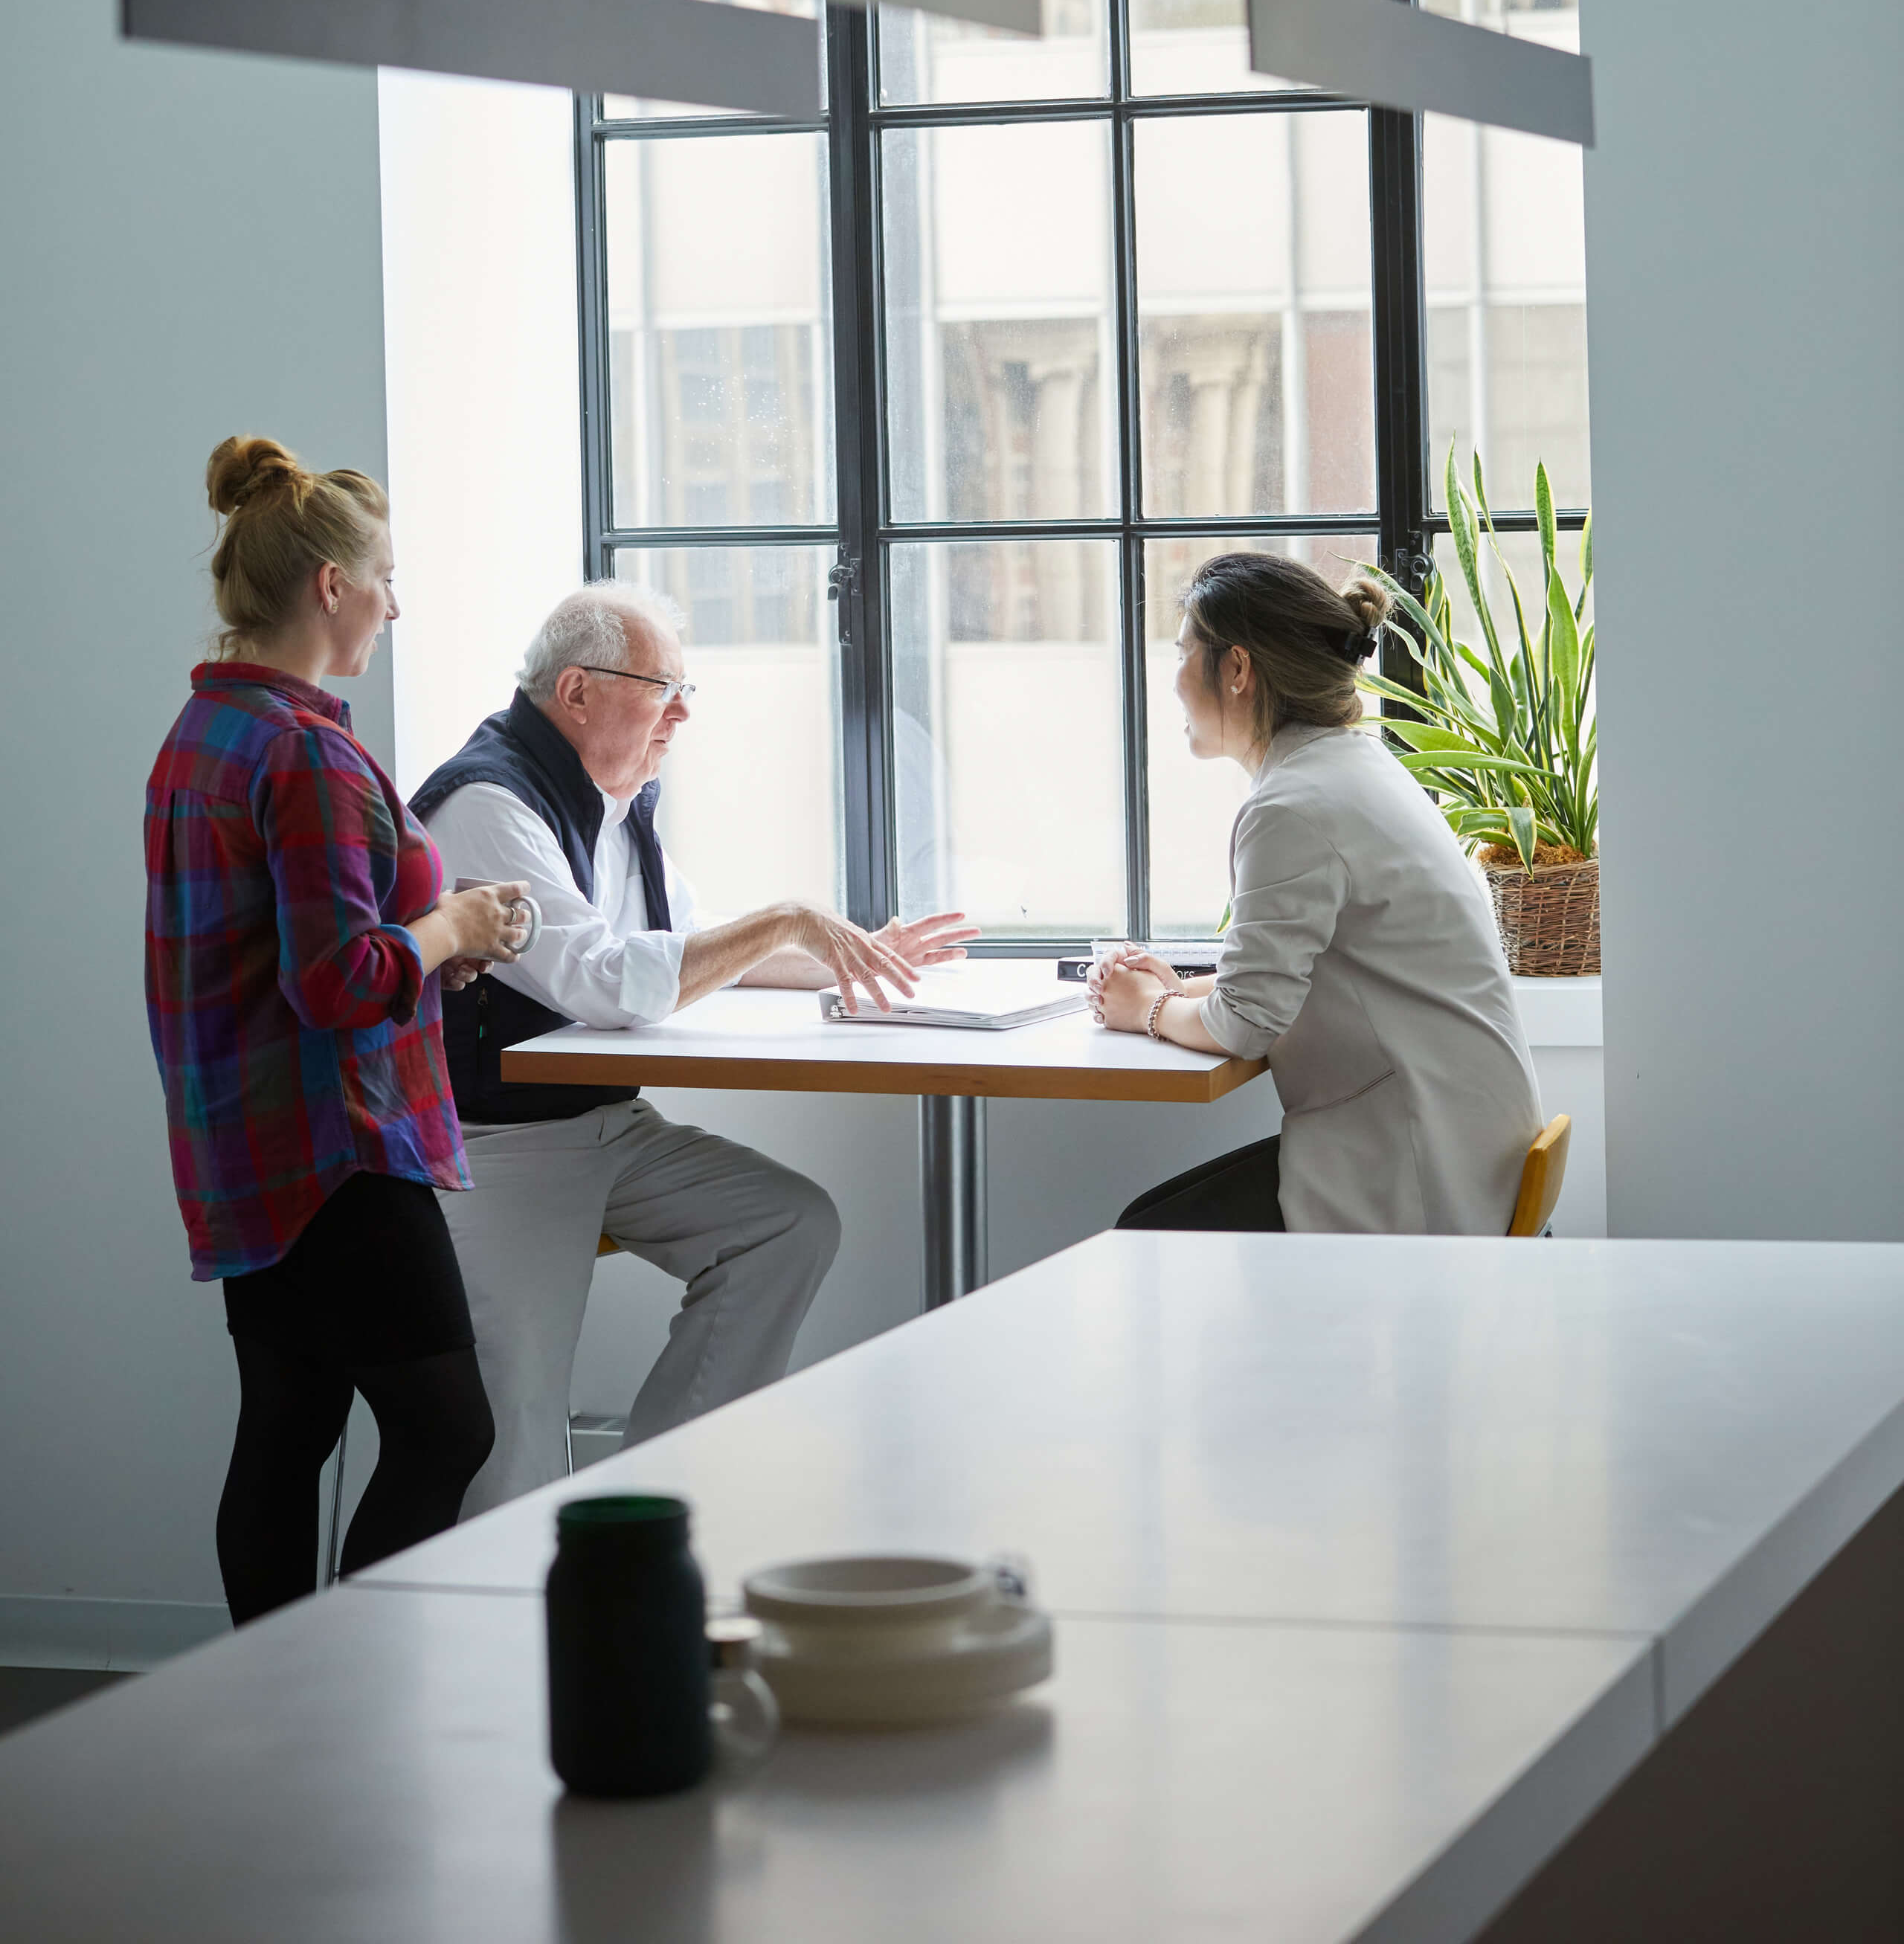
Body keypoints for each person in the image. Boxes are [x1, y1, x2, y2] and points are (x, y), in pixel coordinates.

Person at [411, 584, 974, 1514]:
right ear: (579, 690)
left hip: (604, 1124)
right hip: (495, 1147)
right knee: (512, 1434)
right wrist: (788, 920)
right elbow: (604, 979)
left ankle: (658, 1503)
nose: (682, 711)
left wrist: (846, 960)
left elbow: (689, 947)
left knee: (786, 1225)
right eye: (662, 685)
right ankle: (507, 1634)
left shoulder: (611, 799)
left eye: (685, 689)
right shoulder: (486, 802)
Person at [144, 437, 532, 1623]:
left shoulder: (203, 733)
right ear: (330, 587)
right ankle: (345, 1683)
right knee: (447, 1429)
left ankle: (272, 1711)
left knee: (289, 1424)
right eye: (386, 579)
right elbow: (333, 980)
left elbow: (291, 961)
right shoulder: (307, 750)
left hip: (245, 1151)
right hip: (338, 1154)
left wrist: (431, 952)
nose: (394, 605)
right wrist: (455, 920)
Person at [1092, 551, 1541, 1236]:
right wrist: (1182, 988)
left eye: (1184, 652)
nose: (1175, 679)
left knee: (1147, 1240)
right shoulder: (1355, 765)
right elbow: (1324, 971)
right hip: (1465, 1137)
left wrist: (1149, 1010)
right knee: (1152, 1227)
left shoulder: (1291, 807)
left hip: (1418, 1165)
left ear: (1237, 669)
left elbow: (1246, 1025)